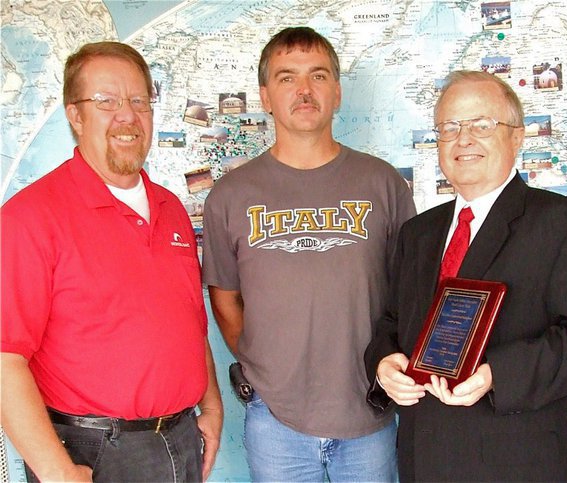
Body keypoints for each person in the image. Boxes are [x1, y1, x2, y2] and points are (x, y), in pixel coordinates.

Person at [364, 70, 567, 481]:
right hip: (425, 461)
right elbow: (392, 324)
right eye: (449, 127)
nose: (463, 139)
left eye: (481, 125)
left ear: (517, 137)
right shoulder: (417, 233)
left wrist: (497, 375)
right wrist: (384, 365)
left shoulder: (566, 223)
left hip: (519, 463)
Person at [0, 41, 222, 482]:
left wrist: (212, 406)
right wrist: (55, 471)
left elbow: (190, 322)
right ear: (74, 115)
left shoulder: (171, 208)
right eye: (106, 101)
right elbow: (5, 358)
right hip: (91, 453)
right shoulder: (29, 217)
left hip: (179, 440)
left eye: (139, 100)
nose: (127, 115)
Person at [201, 27, 416, 482]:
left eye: (318, 76)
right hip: (274, 419)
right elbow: (224, 296)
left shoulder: (383, 184)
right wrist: (269, 370)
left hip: (369, 413)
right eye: (286, 78)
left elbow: (408, 293)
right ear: (265, 96)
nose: (304, 90)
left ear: (336, 92)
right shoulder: (230, 195)